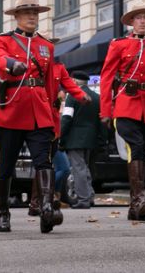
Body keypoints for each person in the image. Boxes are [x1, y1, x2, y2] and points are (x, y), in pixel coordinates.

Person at [0, 0, 60, 233]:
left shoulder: (46, 45)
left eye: (35, 12)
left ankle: (47, 207)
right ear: (16, 15)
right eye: (27, 12)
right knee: (5, 164)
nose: (32, 16)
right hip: (11, 111)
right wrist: (10, 64)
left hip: (39, 111)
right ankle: (2, 212)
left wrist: (51, 114)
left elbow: (50, 84)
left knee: (44, 161)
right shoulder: (3, 40)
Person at [100, 2, 145, 221]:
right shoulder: (118, 45)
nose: (142, 21)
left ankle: (134, 207)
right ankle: (139, 198)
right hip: (125, 104)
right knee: (136, 146)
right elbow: (107, 78)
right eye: (138, 17)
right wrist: (106, 110)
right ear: (131, 22)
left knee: (144, 147)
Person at [28, 35, 89, 216]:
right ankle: (37, 201)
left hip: (53, 118)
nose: (48, 50)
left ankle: (39, 199)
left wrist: (80, 95)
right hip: (38, 116)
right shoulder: (33, 67)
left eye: (52, 46)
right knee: (44, 162)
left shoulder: (59, 67)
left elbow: (69, 84)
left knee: (48, 161)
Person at [60, 70, 104, 209]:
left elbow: (66, 118)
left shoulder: (72, 97)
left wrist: (61, 136)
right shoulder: (97, 97)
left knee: (78, 168)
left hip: (75, 138)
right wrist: (102, 139)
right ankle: (90, 196)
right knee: (85, 167)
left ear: (74, 81)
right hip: (91, 138)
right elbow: (101, 120)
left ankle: (83, 199)